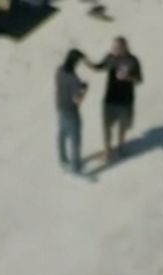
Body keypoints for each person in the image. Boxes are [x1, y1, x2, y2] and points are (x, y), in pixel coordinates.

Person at [88, 37, 143, 162]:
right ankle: (107, 152)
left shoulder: (133, 61)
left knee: (123, 126)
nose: (114, 50)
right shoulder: (110, 57)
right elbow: (99, 67)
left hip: (125, 101)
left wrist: (127, 77)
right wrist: (88, 63)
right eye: (113, 47)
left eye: (117, 48)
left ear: (125, 47)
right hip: (109, 100)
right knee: (106, 127)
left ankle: (121, 147)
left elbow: (139, 80)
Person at [55, 49, 90, 177]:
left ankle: (63, 159)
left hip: (60, 107)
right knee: (75, 140)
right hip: (70, 111)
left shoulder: (59, 70)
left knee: (62, 134)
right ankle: (75, 168)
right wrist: (84, 90)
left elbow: (65, 86)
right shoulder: (74, 79)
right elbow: (77, 100)